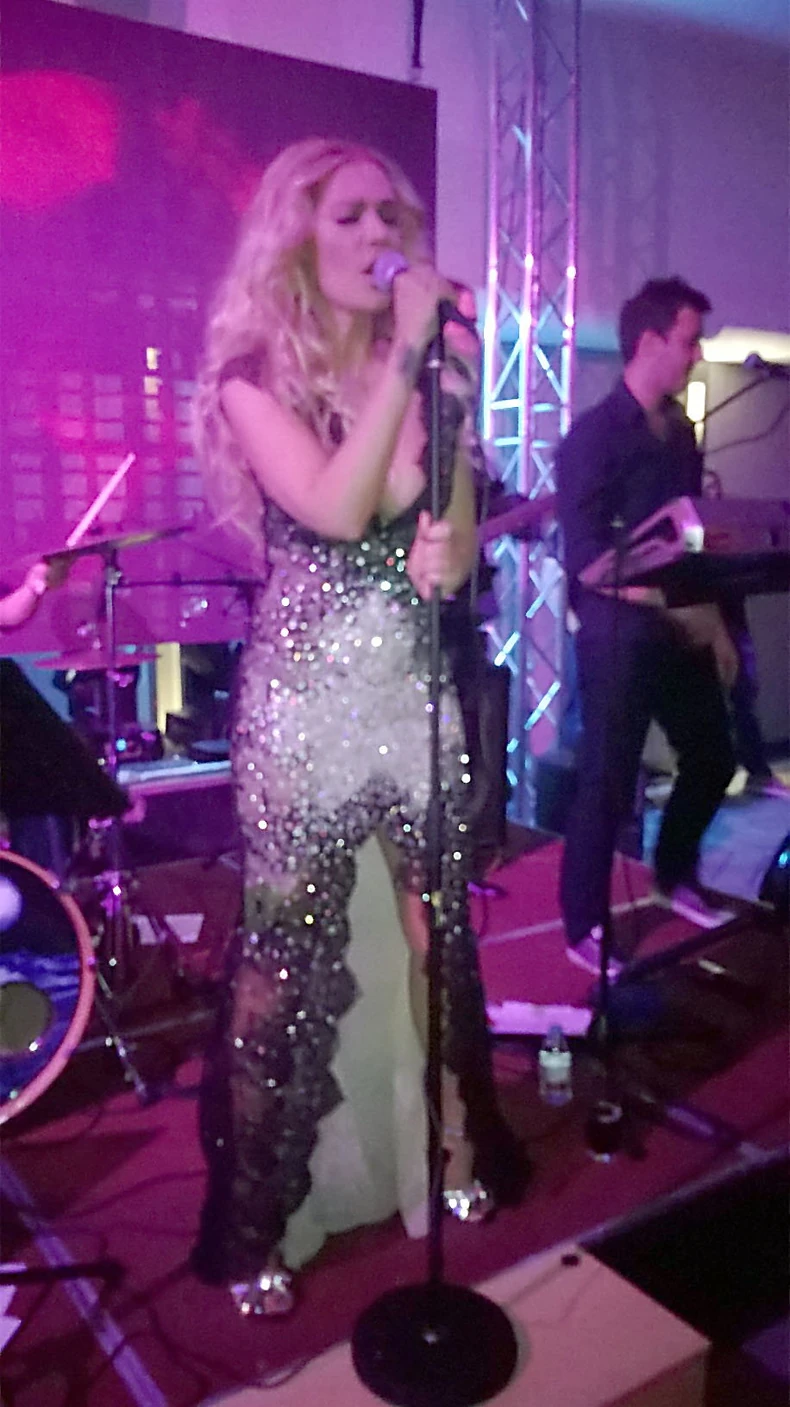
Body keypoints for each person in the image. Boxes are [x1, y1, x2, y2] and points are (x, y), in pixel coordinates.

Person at [190, 137, 527, 1316]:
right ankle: (255, 1227)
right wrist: (412, 362)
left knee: (444, 939)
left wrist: (454, 532)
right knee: (286, 968)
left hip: (409, 692)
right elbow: (338, 507)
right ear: (296, 238)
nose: (382, 237)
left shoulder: (421, 370)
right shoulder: (252, 377)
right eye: (351, 217)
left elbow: (452, 531)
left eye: (393, 218)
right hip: (308, 707)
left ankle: (452, 1150)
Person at [555, 277, 737, 979]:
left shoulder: (682, 434)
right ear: (651, 341)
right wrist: (666, 601)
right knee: (606, 781)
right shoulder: (592, 438)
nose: (697, 355)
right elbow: (585, 559)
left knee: (713, 758)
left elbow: (690, 541)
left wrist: (714, 620)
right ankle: (582, 924)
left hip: (677, 624)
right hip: (619, 632)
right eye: (689, 341)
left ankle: (672, 873)